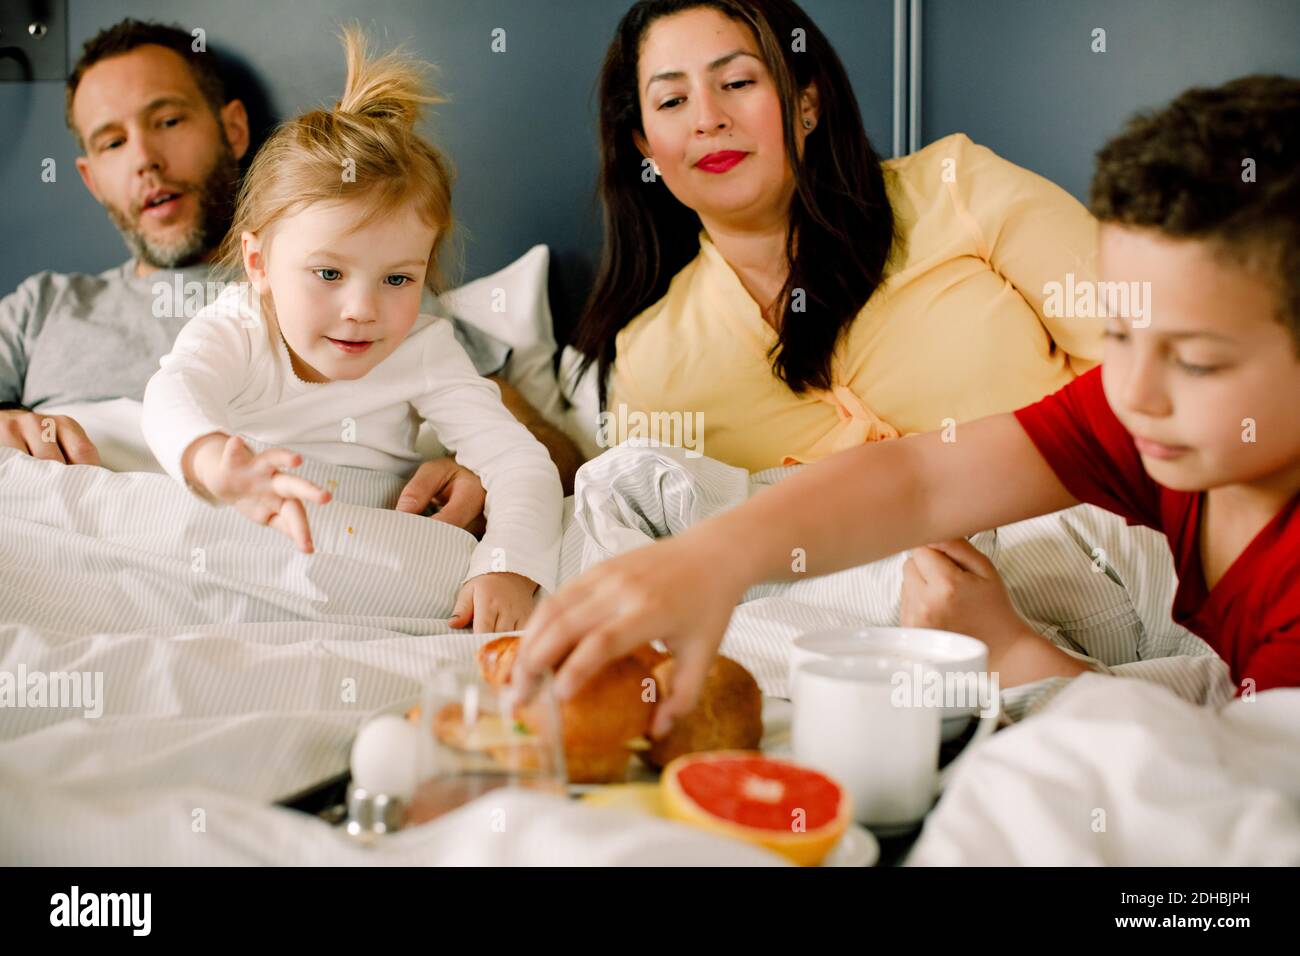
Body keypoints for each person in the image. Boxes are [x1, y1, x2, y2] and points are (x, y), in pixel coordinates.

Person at [517, 75, 1300, 736]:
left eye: (1197, 361)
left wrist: (1010, 653)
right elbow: (923, 477)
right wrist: (712, 560)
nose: (1133, 391)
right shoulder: (1145, 417)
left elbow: (1229, 797)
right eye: (1119, 335)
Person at [0, 18, 581, 527]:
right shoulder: (41, 308)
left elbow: (545, 450)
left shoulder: (376, 287)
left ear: (232, 128)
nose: (144, 159)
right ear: (89, 177)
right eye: (112, 142)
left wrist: (477, 475)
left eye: (169, 121)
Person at [141, 29, 563, 632]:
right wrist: (214, 464)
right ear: (258, 264)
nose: (363, 309)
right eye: (329, 272)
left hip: (372, 539)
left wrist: (509, 564)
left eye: (397, 280)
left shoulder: (422, 347)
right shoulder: (239, 325)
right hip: (249, 526)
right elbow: (173, 391)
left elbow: (519, 461)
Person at [571, 0, 1102, 474]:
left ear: (808, 104)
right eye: (671, 102)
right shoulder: (649, 363)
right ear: (645, 146)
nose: (708, 119)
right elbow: (661, 546)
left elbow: (1149, 371)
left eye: (736, 83)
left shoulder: (958, 186)